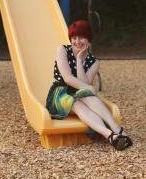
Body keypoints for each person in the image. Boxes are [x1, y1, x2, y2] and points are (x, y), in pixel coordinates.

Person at [46, 20, 132, 151]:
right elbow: (68, 78)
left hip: (80, 94)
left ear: (89, 39)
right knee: (78, 99)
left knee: (83, 97)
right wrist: (89, 88)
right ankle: (113, 131)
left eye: (82, 37)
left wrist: (79, 61)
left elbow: (84, 84)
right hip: (60, 94)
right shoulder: (62, 50)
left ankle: (113, 132)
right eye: (74, 38)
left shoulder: (94, 62)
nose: (77, 41)